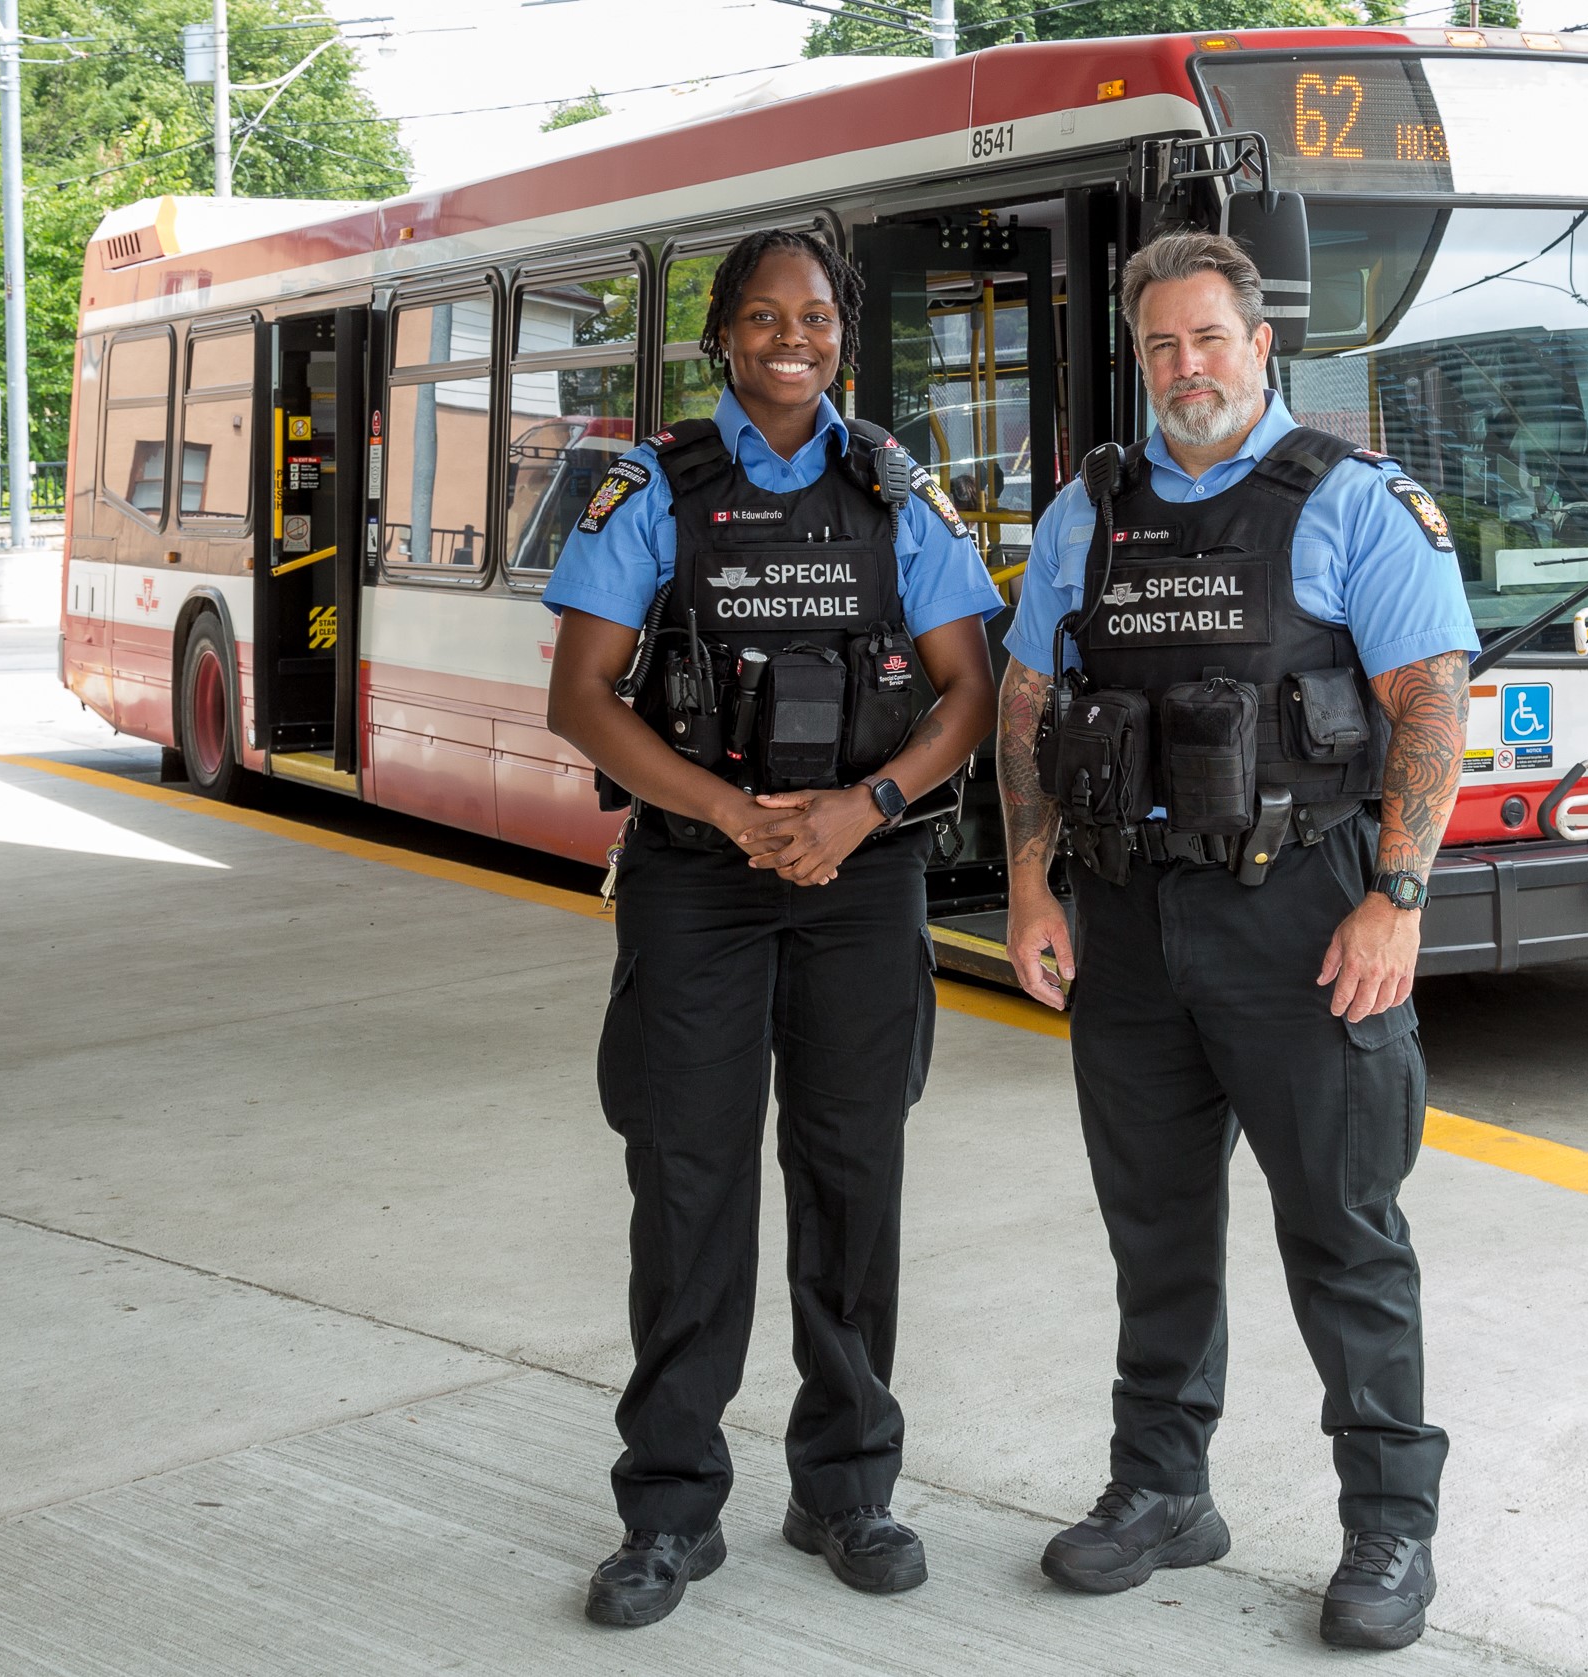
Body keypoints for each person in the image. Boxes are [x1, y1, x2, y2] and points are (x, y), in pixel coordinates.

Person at [997, 231, 1474, 1652]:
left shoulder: (1353, 502)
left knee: (1343, 1232)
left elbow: (1428, 704)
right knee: (1156, 1227)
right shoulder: (1094, 508)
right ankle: (1161, 1488)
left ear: (1262, 345)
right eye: (1159, 346)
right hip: (1131, 921)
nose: (1184, 367)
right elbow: (1027, 702)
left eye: (1208, 337)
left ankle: (1389, 1520)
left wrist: (1399, 896)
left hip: (1307, 919)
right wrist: (1031, 889)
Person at [544, 229, 1002, 1627]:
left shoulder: (893, 491)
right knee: (689, 1186)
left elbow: (967, 696)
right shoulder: (655, 491)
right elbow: (583, 696)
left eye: (813, 317)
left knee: (853, 1175)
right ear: (722, 336)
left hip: (860, 878)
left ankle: (846, 1485)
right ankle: (672, 1509)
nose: (789, 338)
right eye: (762, 316)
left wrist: (863, 807)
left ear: (841, 336)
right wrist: (738, 817)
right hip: (699, 877)